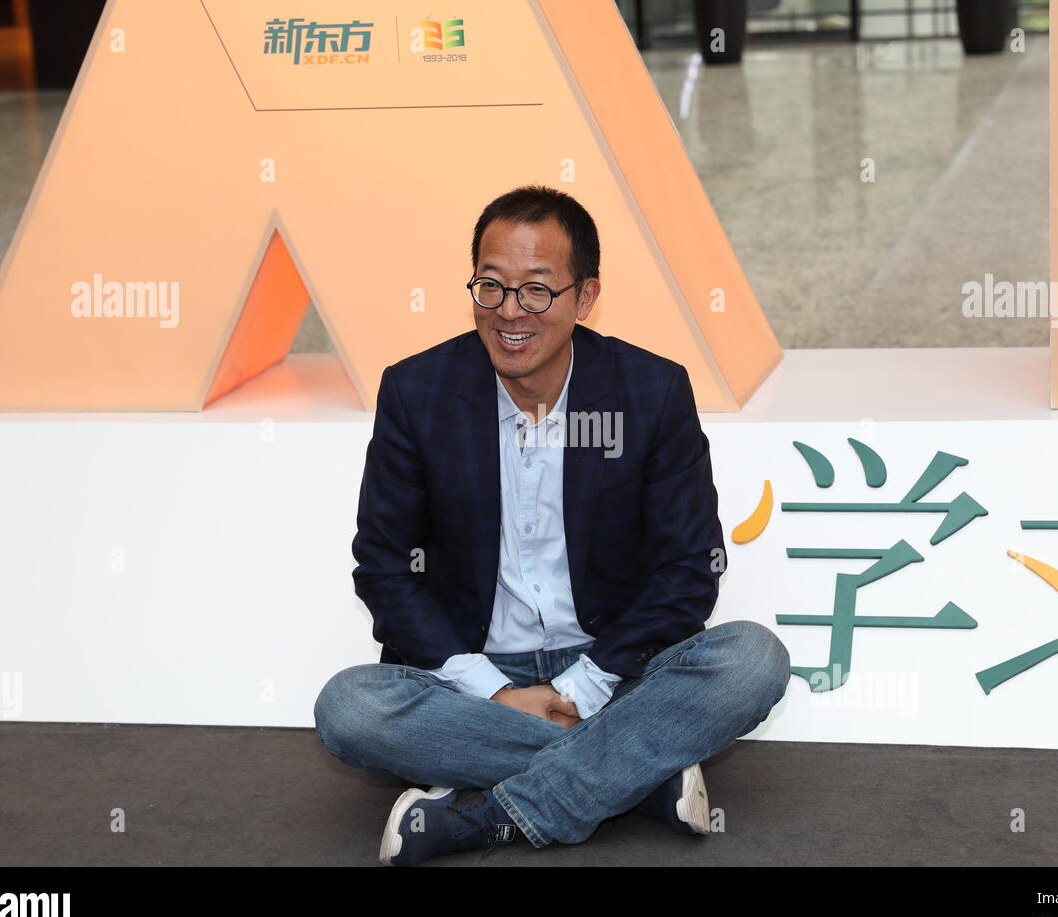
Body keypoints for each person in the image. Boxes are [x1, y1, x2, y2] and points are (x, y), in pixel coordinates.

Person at [314, 184, 791, 865]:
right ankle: (639, 774)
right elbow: (386, 569)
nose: (510, 313)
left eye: (537, 291)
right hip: (476, 676)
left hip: (616, 667)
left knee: (753, 660)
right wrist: (497, 692)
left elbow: (689, 569)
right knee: (350, 709)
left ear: (585, 296)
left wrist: (586, 684)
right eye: (491, 287)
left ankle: (492, 819)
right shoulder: (417, 392)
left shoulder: (649, 393)